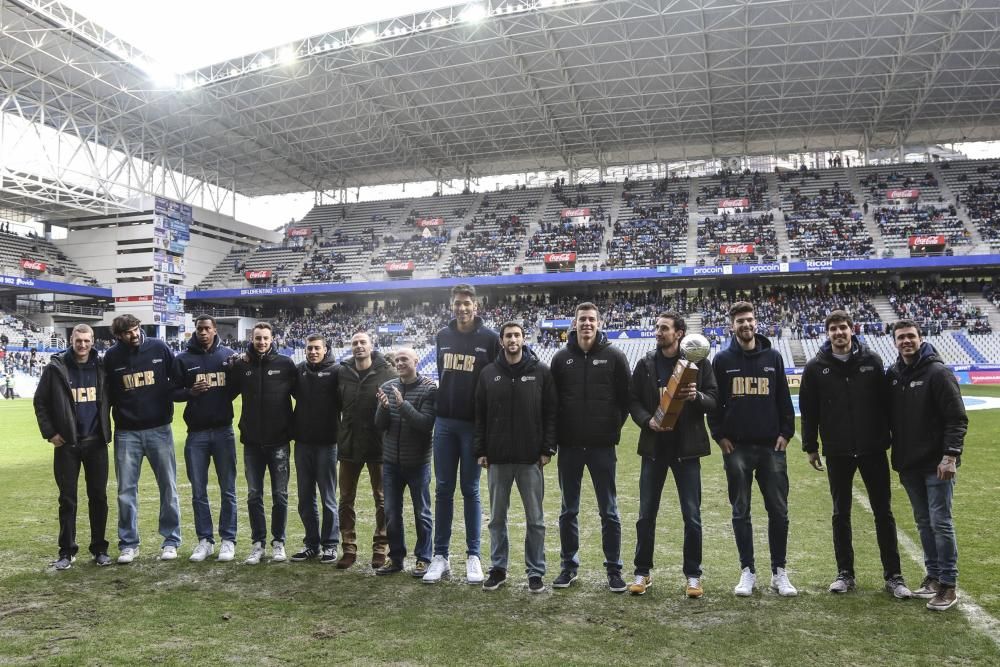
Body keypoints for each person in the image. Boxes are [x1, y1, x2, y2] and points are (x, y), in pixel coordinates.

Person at [799, 310, 911, 598]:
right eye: (834, 329)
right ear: (828, 333)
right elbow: (809, 410)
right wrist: (811, 446)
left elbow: (887, 405)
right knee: (841, 513)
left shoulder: (872, 362)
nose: (839, 333)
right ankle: (845, 574)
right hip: (838, 451)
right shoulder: (815, 367)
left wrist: (891, 439)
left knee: (883, 512)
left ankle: (894, 576)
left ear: (853, 330)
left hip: (873, 449)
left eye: (843, 328)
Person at [707, 302, 797, 597]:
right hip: (737, 449)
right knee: (740, 511)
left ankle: (779, 572)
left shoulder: (773, 356)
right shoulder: (721, 360)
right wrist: (719, 436)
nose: (746, 325)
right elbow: (713, 403)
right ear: (731, 326)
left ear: (756, 323)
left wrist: (786, 433)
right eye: (740, 321)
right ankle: (747, 571)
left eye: (749, 320)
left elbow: (784, 398)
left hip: (771, 447)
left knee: (779, 511)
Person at [626, 313, 718, 597]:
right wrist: (646, 420)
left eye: (663, 328)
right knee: (646, 515)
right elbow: (633, 400)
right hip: (655, 448)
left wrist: (697, 397)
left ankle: (693, 575)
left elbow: (714, 399)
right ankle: (642, 572)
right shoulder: (645, 363)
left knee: (692, 516)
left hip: (687, 450)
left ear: (679, 333)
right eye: (656, 327)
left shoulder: (698, 363)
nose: (657, 332)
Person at [887, 319, 968, 612]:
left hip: (937, 464)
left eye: (911, 336)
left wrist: (950, 456)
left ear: (921, 339)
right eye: (901, 338)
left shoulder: (938, 372)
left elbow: (957, 418)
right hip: (909, 464)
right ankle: (933, 577)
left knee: (940, 522)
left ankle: (948, 584)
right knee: (923, 523)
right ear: (894, 342)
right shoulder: (894, 374)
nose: (906, 341)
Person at [550, 302, 631, 593]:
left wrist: (610, 428)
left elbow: (625, 400)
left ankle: (614, 570)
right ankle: (568, 566)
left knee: (608, 510)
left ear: (599, 323)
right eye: (582, 319)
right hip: (569, 446)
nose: (586, 324)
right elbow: (552, 404)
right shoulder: (561, 359)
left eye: (591, 319)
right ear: (575, 324)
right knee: (567, 510)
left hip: (602, 447)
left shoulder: (614, 356)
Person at [425, 284, 501, 584]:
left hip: (473, 425)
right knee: (443, 489)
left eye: (467, 303)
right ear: (451, 305)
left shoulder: (490, 338)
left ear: (476, 306)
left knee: (470, 490)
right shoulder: (442, 335)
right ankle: (440, 556)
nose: (462, 308)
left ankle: (473, 556)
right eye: (457, 303)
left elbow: (496, 379)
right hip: (444, 423)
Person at [475, 322, 557, 593]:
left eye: (517, 335)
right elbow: (480, 416)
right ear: (501, 341)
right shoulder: (488, 374)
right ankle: (498, 569)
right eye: (508, 335)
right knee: (497, 518)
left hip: (530, 458)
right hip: (497, 458)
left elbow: (550, 413)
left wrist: (547, 449)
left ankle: (535, 572)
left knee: (535, 520)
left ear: (523, 339)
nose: (513, 339)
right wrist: (481, 450)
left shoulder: (541, 372)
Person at [33, 324, 112, 569]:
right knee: (67, 499)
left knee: (98, 497)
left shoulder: (102, 367)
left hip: (96, 442)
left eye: (87, 341)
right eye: (78, 340)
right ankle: (67, 552)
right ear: (71, 340)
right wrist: (50, 433)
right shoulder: (56, 368)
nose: (82, 345)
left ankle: (99, 549)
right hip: (67, 444)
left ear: (93, 340)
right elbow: (40, 402)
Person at [103, 314, 180, 564]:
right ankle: (129, 544)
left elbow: (177, 380)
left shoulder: (159, 347)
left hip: (160, 429)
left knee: (168, 486)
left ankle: (170, 540)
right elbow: (108, 395)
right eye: (127, 332)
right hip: (126, 433)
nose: (134, 335)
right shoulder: (112, 357)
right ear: (118, 336)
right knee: (126, 490)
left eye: (136, 329)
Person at [227, 322, 297, 565]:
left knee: (280, 495)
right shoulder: (241, 365)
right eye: (258, 338)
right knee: (254, 495)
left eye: (266, 338)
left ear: (272, 338)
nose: (262, 342)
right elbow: (226, 392)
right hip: (252, 443)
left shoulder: (286, 364)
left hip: (279, 441)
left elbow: (303, 395)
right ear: (252, 339)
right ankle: (258, 544)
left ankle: (279, 542)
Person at [171, 315, 238, 563]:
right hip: (196, 434)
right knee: (198, 491)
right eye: (199, 329)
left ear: (214, 330)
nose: (203, 332)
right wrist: (190, 392)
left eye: (207, 328)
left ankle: (228, 540)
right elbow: (173, 392)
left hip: (224, 431)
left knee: (228, 489)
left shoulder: (228, 356)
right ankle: (205, 541)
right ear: (195, 331)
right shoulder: (183, 359)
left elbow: (238, 385)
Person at [335, 331, 396, 569]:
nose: (359, 346)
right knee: (345, 500)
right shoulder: (342, 373)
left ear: (372, 346)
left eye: (363, 342)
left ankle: (380, 548)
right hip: (349, 445)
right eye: (355, 343)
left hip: (378, 445)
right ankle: (348, 548)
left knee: (382, 500)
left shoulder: (387, 373)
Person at [374, 348, 437, 577]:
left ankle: (423, 558)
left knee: (422, 513)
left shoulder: (429, 388)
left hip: (418, 463)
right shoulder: (388, 387)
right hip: (391, 463)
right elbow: (380, 425)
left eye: (404, 360)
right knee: (391, 512)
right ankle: (396, 558)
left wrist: (403, 406)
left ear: (416, 361)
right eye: (397, 360)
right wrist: (383, 408)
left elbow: (425, 424)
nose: (400, 363)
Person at [290, 334, 341, 564]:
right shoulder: (299, 370)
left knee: (328, 497)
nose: (312, 352)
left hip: (327, 444)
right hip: (302, 443)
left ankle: (330, 544)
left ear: (325, 349)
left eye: (316, 348)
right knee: (305, 497)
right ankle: (311, 543)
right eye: (309, 348)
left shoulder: (337, 371)